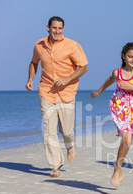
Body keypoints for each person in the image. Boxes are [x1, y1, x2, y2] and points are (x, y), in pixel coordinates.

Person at [25, 16, 88, 177]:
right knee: (49, 131)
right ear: (48, 28)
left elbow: (84, 67)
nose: (57, 31)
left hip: (67, 92)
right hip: (46, 92)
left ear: (63, 29)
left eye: (60, 28)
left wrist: (67, 79)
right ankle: (55, 167)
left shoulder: (72, 45)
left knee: (66, 131)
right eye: (54, 28)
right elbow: (34, 62)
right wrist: (30, 79)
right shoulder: (39, 45)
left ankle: (70, 146)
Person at [91, 42, 133, 187]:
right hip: (119, 107)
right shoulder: (117, 72)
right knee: (126, 139)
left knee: (128, 142)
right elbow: (109, 80)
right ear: (123, 56)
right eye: (130, 56)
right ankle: (118, 169)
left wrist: (131, 86)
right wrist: (99, 91)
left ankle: (117, 167)